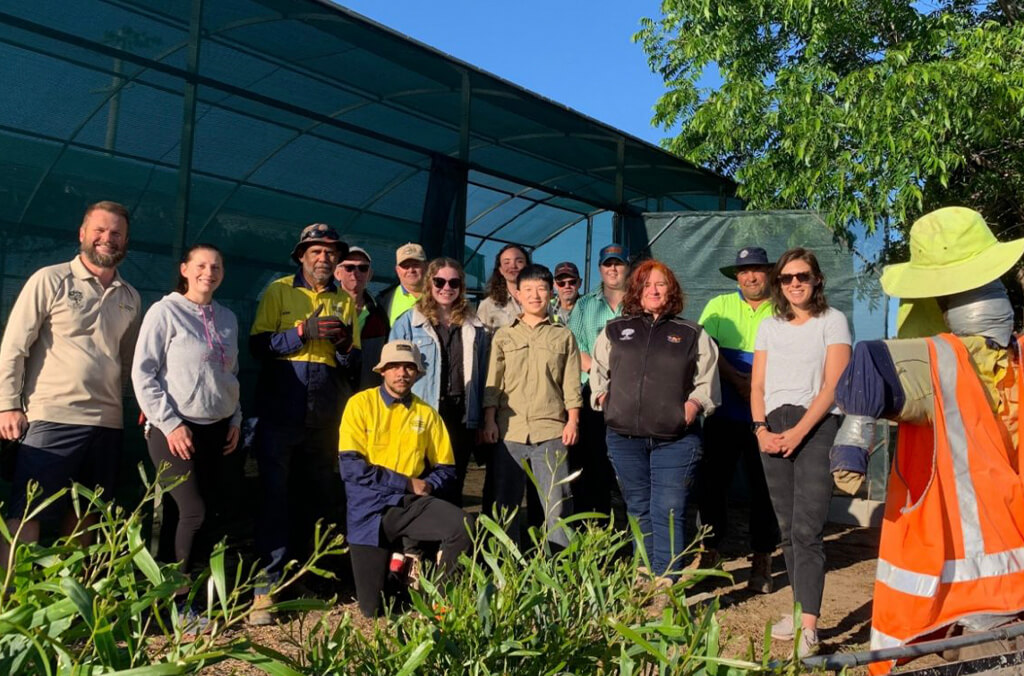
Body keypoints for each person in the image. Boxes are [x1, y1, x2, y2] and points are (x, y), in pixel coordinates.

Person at [829, 207, 1024, 675]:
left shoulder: (999, 360)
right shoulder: (940, 359)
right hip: (969, 588)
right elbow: (869, 364)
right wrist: (853, 436)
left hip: (993, 579)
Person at [0, 201, 140, 549]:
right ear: (83, 234)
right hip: (52, 417)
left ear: (125, 241)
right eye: (100, 230)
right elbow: (14, 346)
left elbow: (126, 361)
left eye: (116, 234)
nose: (108, 238)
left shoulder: (131, 297)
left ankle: (72, 598)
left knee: (87, 514)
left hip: (107, 425)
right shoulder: (50, 278)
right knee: (27, 512)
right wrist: (7, 405)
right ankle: (11, 599)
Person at [248, 222, 360, 624]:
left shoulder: (345, 301)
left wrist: (345, 344)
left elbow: (353, 363)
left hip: (324, 408)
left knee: (314, 499)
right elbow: (258, 345)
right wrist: (301, 332)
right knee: (274, 498)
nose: (324, 258)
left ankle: (301, 578)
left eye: (331, 252)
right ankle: (266, 588)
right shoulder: (280, 290)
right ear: (301, 256)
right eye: (316, 251)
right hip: (282, 406)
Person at [590, 260, 719, 594]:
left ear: (671, 289)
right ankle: (643, 571)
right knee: (638, 506)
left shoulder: (691, 333)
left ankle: (667, 580)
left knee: (670, 507)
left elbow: (707, 381)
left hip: (675, 439)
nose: (654, 290)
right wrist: (604, 398)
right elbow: (598, 370)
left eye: (660, 284)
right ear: (637, 291)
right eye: (646, 284)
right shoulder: (616, 330)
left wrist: (692, 407)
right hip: (624, 438)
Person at [750, 247, 851, 657]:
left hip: (816, 426)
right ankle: (798, 609)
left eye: (802, 276)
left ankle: (809, 627)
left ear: (817, 280)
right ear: (778, 284)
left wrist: (799, 432)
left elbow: (832, 386)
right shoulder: (770, 325)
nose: (795, 283)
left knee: (808, 529)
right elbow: (757, 386)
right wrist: (760, 429)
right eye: (787, 278)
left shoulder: (833, 321)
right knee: (788, 528)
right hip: (772, 427)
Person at [131, 244, 241, 607]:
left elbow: (231, 375)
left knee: (205, 513)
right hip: (172, 430)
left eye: (216, 266)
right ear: (184, 269)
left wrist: (235, 418)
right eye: (201, 265)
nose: (208, 272)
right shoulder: (165, 312)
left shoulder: (227, 318)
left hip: (217, 430)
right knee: (192, 510)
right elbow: (143, 372)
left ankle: (194, 593)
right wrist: (170, 423)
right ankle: (181, 601)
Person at [339, 340, 471, 618]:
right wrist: (407, 482)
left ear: (418, 373)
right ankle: (401, 557)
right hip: (369, 510)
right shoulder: (359, 405)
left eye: (409, 367)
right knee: (373, 610)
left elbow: (446, 468)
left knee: (463, 526)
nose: (402, 373)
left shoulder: (426, 414)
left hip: (409, 505)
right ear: (383, 370)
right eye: (395, 366)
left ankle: (440, 602)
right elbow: (351, 469)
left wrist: (428, 484)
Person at [695, 246, 780, 592]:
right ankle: (711, 553)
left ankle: (762, 557)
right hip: (723, 411)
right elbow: (707, 349)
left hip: (768, 415)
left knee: (765, 488)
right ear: (737, 277)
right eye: (743, 272)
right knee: (712, 484)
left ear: (768, 273)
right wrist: (739, 381)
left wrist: (756, 385)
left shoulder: (783, 308)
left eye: (757, 269)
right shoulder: (718, 306)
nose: (750, 276)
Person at [483, 264, 582, 549]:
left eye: (541, 289)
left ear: (550, 293)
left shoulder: (562, 336)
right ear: (518, 293)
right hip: (509, 431)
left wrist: (573, 421)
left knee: (557, 505)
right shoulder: (505, 336)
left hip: (551, 430)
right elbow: (494, 381)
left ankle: (559, 568)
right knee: (506, 504)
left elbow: (571, 383)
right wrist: (489, 420)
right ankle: (505, 567)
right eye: (528, 290)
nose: (535, 295)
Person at [389, 258, 488, 506]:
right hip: (422, 411)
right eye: (440, 281)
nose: (447, 287)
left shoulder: (475, 326)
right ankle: (418, 542)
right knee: (420, 476)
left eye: (454, 282)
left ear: (461, 287)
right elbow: (393, 369)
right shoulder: (408, 322)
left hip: (461, 413)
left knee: (454, 477)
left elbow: (485, 374)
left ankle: (450, 540)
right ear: (429, 283)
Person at [567, 244, 629, 518]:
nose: (612, 269)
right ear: (601, 269)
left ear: (627, 267)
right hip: (592, 392)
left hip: (630, 393)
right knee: (591, 463)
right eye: (607, 264)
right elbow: (575, 347)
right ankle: (591, 524)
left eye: (618, 263)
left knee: (626, 466)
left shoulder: (639, 303)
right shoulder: (585, 304)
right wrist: (603, 374)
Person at [335, 246, 389, 390]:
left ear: (370, 274)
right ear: (337, 273)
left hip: (367, 395)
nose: (356, 272)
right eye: (349, 267)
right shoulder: (326, 308)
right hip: (332, 393)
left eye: (362, 268)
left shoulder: (381, 314)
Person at [476, 244, 529, 331]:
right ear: (500, 270)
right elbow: (482, 341)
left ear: (527, 266)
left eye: (519, 261)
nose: (513, 266)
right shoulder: (488, 304)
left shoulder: (539, 300)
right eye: (506, 262)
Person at [376, 242, 426, 325]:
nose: (411, 270)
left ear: (426, 266)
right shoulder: (383, 301)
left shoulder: (441, 296)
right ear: (397, 270)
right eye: (405, 266)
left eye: (416, 265)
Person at [551, 261, 581, 325]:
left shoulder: (590, 307)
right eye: (561, 283)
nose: (567, 286)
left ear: (580, 283)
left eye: (572, 282)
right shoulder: (545, 308)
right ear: (554, 284)